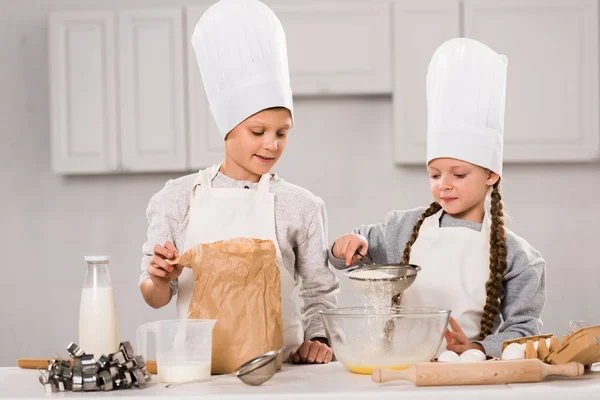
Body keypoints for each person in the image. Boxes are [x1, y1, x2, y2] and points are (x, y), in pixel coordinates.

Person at [139, 0, 339, 364]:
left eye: (283, 132)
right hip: (199, 371)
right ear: (228, 128)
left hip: (281, 371)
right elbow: (156, 296)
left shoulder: (302, 205)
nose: (272, 144)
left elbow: (318, 290)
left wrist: (319, 338)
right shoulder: (177, 199)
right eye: (258, 131)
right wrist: (156, 277)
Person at [329, 38, 546, 357]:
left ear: (491, 175)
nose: (444, 185)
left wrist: (476, 346)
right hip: (400, 368)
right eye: (434, 174)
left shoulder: (519, 257)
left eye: (458, 175)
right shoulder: (401, 228)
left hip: (468, 373)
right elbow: (346, 259)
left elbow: (524, 331)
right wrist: (346, 244)